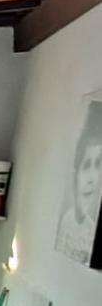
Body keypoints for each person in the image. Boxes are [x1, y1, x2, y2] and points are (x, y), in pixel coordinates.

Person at [57, 100, 102, 265]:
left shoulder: (90, 230)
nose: (92, 179)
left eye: (98, 165)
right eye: (87, 165)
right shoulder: (66, 221)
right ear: (75, 173)